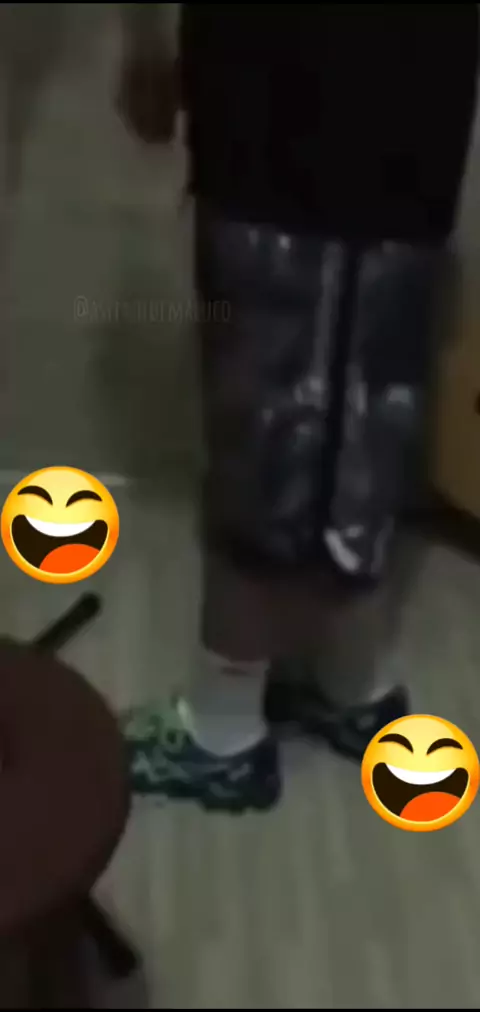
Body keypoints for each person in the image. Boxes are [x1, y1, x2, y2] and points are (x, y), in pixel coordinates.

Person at [118, 4, 479, 812]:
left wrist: (142, 42)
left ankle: (223, 734)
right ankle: (349, 684)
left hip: (288, 90)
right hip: (418, 93)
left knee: (274, 409)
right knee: (369, 395)